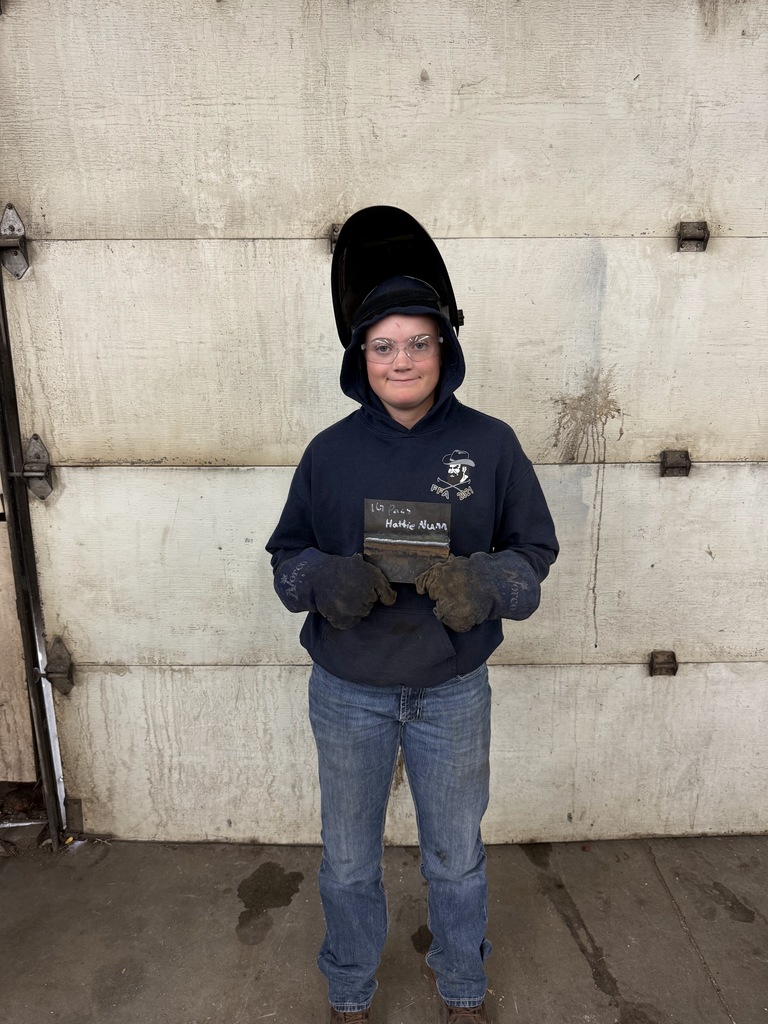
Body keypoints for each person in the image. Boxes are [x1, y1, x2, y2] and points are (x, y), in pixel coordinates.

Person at [266, 214, 558, 1024]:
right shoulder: (328, 453)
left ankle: (463, 989)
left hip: (451, 691)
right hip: (348, 690)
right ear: (362, 358)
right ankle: (351, 991)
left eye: (417, 343)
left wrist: (493, 580)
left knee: (456, 859)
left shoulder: (492, 447)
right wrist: (322, 576)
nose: (402, 359)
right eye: (384, 345)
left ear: (444, 351)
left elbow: (535, 554)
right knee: (349, 861)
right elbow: (285, 565)